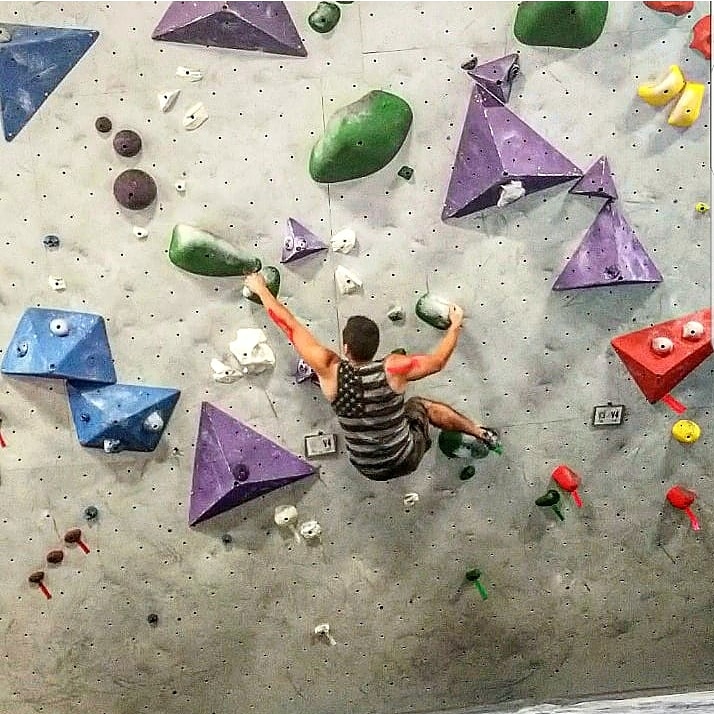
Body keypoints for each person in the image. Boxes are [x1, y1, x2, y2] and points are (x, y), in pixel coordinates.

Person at [244, 272, 498, 481]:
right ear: (376, 349)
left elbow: (289, 325)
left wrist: (261, 289)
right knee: (421, 405)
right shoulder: (394, 368)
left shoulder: (329, 368)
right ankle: (479, 432)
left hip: (367, 467)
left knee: (333, 386)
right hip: (406, 457)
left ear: (345, 348)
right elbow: (438, 362)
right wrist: (455, 325)